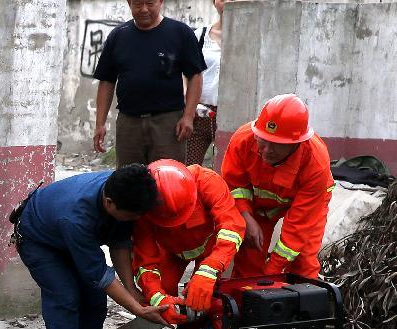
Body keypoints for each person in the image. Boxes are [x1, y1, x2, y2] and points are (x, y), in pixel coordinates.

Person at [13, 165, 168, 329]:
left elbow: (120, 243)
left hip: (69, 236)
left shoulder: (123, 191)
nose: (137, 219)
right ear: (109, 203)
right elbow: (100, 275)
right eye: (133, 215)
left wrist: (132, 290)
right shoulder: (76, 216)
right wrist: (137, 308)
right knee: (65, 296)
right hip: (40, 241)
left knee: (95, 300)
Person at [125, 158, 245, 329]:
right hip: (169, 251)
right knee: (156, 292)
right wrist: (156, 296)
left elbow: (232, 228)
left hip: (210, 249)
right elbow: (145, 262)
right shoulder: (144, 205)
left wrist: (209, 270)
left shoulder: (208, 181)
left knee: (207, 297)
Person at [221, 94, 335, 279]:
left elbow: (298, 227)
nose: (266, 150)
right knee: (250, 257)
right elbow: (234, 184)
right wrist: (245, 216)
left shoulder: (316, 163)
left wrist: (271, 273)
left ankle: (299, 302)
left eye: (276, 145)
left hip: (306, 208)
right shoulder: (243, 140)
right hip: (257, 206)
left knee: (303, 261)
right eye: (262, 140)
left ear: (297, 143)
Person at [92, 0, 205, 167]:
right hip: (129, 123)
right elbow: (107, 81)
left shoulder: (180, 33)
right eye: (137, 4)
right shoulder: (118, 36)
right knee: (128, 179)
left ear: (161, 2)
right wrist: (99, 124)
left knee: (167, 179)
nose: (143, 9)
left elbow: (195, 76)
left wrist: (188, 116)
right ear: (129, 3)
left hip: (168, 123)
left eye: (150, 3)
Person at [187, 0, 235, 166]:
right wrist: (188, 106)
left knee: (228, 168)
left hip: (232, 115)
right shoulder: (200, 35)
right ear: (214, 2)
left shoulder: (250, 35)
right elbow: (185, 71)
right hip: (200, 112)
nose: (228, 2)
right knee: (190, 166)